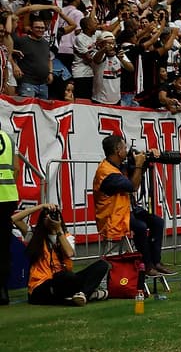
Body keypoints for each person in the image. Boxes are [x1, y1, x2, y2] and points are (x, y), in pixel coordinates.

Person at [92, 135, 171, 277]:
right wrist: (139, 164)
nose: (127, 150)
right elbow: (132, 186)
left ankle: (156, 262)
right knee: (140, 227)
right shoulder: (107, 173)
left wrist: (148, 155)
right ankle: (147, 265)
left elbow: (135, 171)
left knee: (157, 222)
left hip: (126, 210)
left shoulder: (118, 165)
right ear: (117, 151)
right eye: (124, 147)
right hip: (112, 216)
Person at [16, 203, 109, 306]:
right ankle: (87, 295)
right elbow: (15, 219)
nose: (51, 219)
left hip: (64, 282)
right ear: (42, 220)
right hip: (41, 285)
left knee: (102, 265)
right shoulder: (34, 236)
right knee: (65, 276)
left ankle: (82, 294)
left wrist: (58, 230)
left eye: (54, 216)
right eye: (47, 217)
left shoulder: (66, 236)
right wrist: (41, 207)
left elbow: (69, 253)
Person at [0, 124, 18, 305]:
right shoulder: (9, 139)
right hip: (8, 196)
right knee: (4, 246)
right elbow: (17, 168)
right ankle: (3, 290)